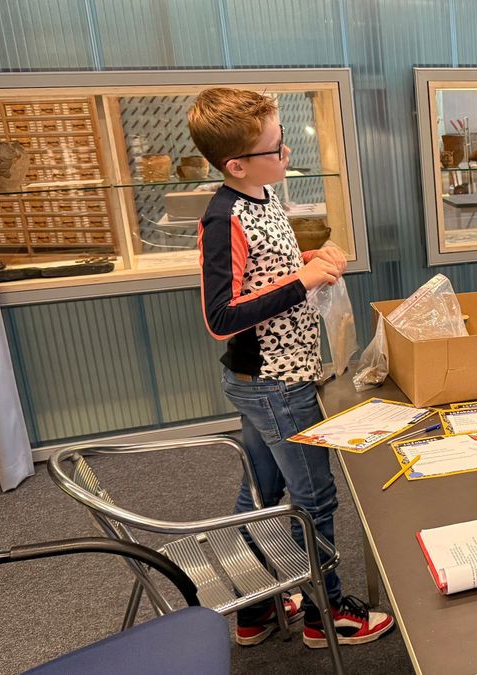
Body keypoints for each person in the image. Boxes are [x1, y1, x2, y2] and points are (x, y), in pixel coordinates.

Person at [188, 87, 394, 648]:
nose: (285, 157)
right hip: (275, 382)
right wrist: (300, 282)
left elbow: (266, 269)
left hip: (280, 376)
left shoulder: (262, 196)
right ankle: (325, 615)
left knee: (261, 490)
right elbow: (220, 316)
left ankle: (252, 606)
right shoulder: (222, 219)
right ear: (235, 164)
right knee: (314, 498)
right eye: (275, 149)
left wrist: (305, 261)